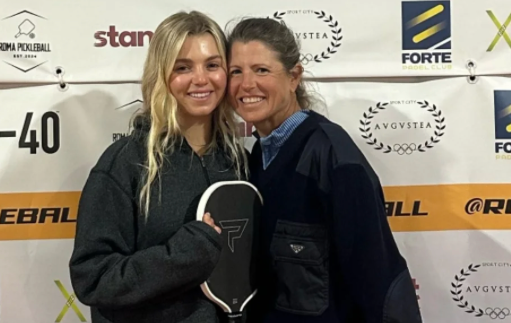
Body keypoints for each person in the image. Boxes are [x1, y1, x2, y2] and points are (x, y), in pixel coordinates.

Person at [225, 17, 423, 323]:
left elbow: (380, 282)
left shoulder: (333, 157)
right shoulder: (253, 160)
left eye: (261, 70)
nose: (246, 84)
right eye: (236, 71)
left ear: (294, 77)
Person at [68, 11, 247, 323]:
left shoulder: (238, 160)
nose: (201, 79)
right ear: (161, 75)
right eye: (183, 67)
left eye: (212, 65)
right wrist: (184, 255)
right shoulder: (126, 162)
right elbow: (92, 279)